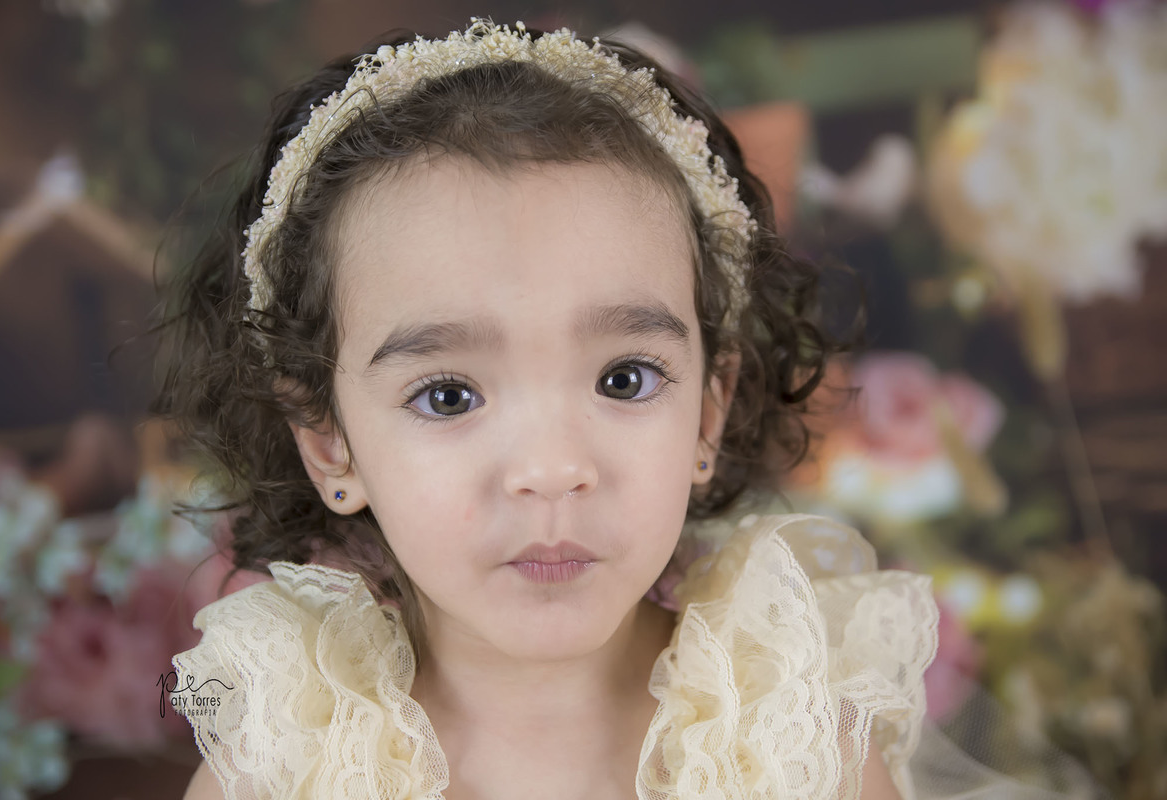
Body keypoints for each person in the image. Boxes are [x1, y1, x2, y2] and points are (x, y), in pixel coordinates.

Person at [155, 19, 941, 800]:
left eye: (624, 380)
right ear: (330, 444)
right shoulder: (285, 773)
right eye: (449, 396)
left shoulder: (798, 748)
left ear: (709, 413)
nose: (553, 469)